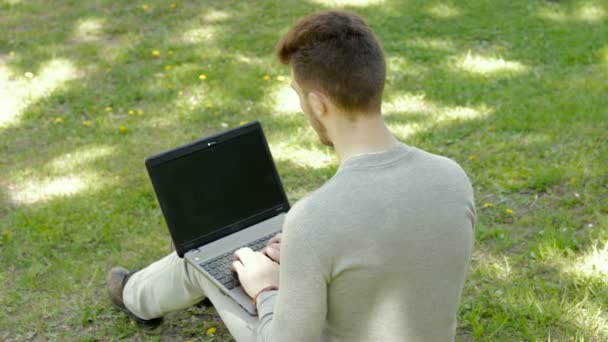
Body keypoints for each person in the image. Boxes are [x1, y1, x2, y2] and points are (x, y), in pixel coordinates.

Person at [107, 9, 476, 342]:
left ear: (318, 103)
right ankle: (138, 292)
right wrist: (304, 262)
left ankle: (133, 296)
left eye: (298, 95)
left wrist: (267, 289)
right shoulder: (452, 178)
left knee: (206, 258)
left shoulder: (314, 221)